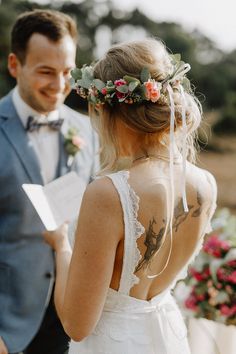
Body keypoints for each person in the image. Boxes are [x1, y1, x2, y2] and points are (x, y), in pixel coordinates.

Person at [43, 39, 217, 354]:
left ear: (108, 110)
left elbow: (76, 325)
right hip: (167, 338)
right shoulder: (205, 183)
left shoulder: (109, 193)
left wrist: (61, 246)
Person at [0, 9, 99, 354]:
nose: (60, 86)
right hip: (7, 321)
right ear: (15, 65)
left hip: (71, 320)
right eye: (46, 72)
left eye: (67, 72)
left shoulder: (87, 129)